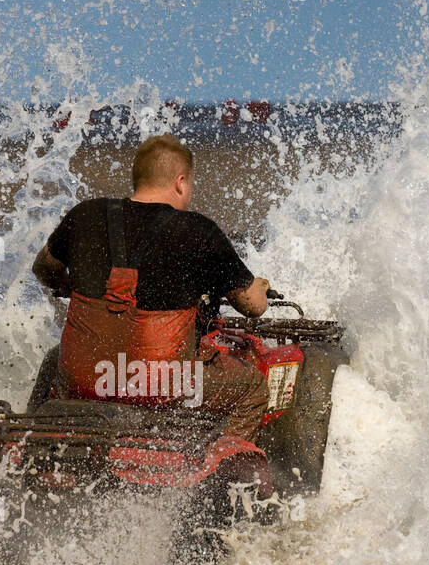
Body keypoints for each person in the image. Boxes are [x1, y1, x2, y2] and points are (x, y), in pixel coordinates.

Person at [31, 134, 271, 442]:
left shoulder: (83, 215)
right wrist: (262, 287)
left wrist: (70, 285)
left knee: (56, 359)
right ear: (181, 182)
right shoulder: (200, 230)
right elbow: (253, 305)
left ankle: (31, 442)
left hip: (86, 377)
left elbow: (44, 269)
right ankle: (217, 468)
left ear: (138, 179)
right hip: (158, 385)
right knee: (253, 387)